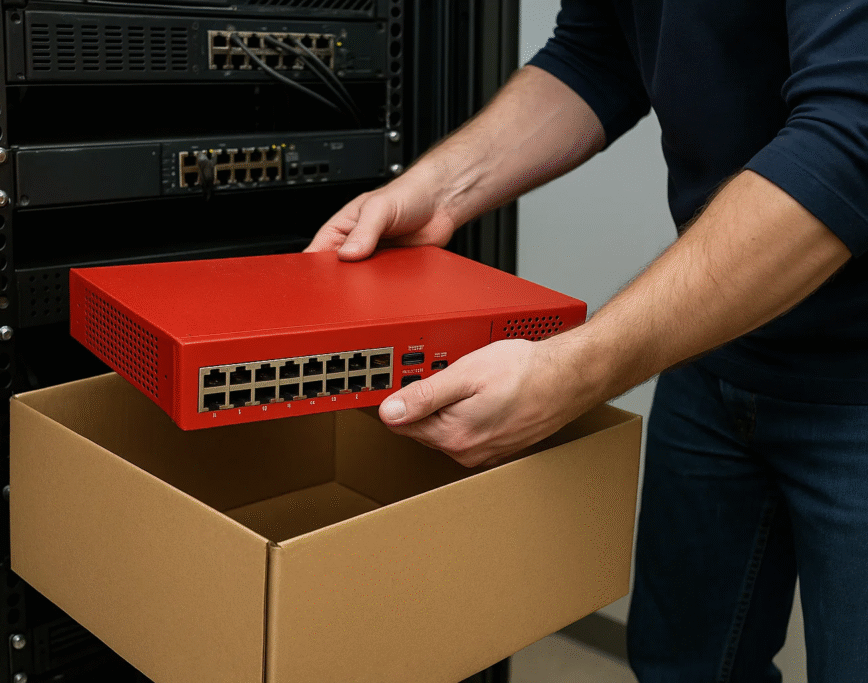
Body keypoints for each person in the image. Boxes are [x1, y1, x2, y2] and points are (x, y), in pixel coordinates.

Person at [305, 2, 868, 681]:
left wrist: (573, 371)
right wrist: (438, 188)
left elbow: (849, 139)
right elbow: (594, 53)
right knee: (679, 665)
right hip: (715, 349)